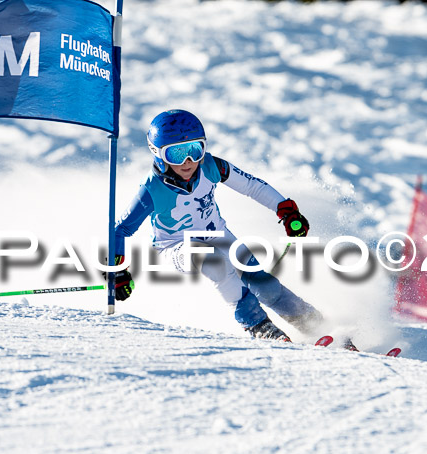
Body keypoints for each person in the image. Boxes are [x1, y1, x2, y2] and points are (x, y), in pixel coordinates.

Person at [112, 109, 324, 342]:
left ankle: (314, 323)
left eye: (194, 150)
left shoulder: (211, 166)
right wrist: (117, 270)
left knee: (265, 286)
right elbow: (120, 228)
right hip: (176, 246)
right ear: (158, 155)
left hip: (218, 234)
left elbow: (251, 186)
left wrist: (285, 210)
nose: (188, 162)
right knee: (215, 261)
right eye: (177, 154)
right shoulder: (152, 189)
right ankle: (258, 325)